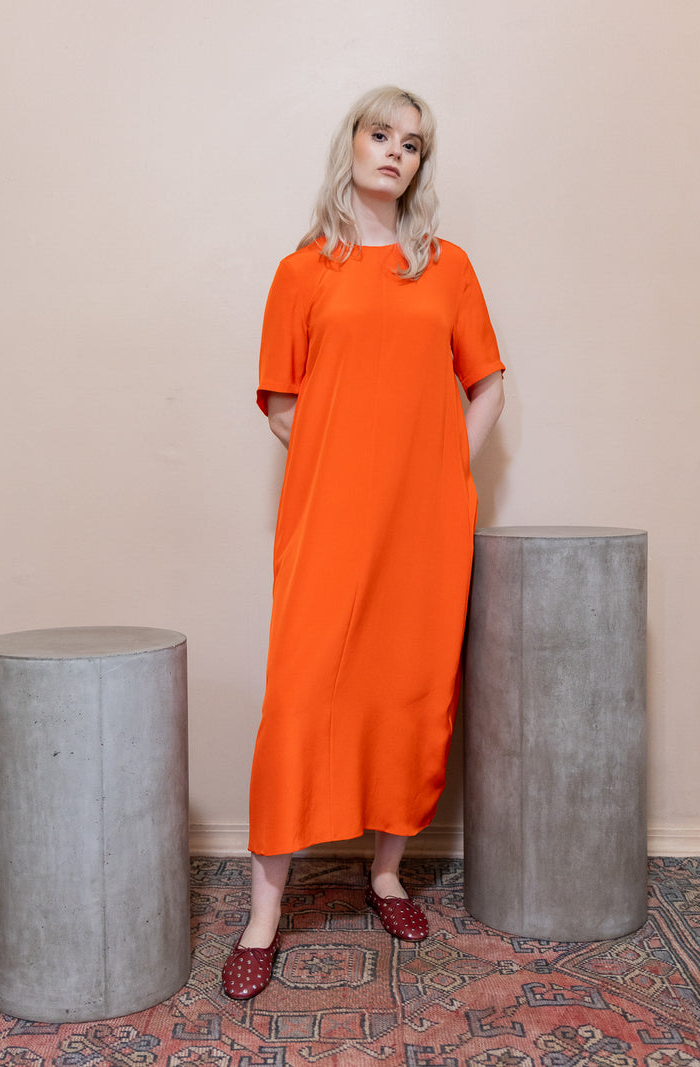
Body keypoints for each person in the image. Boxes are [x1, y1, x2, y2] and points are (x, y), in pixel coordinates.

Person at [222, 86, 506, 1000]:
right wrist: (343, 463)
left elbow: (488, 386)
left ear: (421, 165)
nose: (394, 152)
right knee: (300, 696)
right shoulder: (302, 270)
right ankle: (263, 916)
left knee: (408, 690)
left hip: (425, 524)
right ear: (351, 143)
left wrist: (442, 471)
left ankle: (386, 875)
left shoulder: (447, 269)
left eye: (411, 144)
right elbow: (282, 403)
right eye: (381, 134)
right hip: (330, 518)